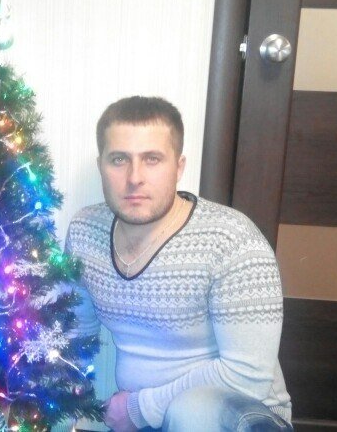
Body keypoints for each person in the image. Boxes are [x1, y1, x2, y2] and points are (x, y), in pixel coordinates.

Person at [65, 96, 292, 431]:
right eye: (119, 159)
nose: (134, 177)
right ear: (102, 166)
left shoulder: (232, 240)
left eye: (152, 159)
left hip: (243, 418)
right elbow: (75, 337)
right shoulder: (85, 232)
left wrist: (137, 409)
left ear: (179, 167)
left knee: (193, 411)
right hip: (147, 421)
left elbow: (247, 376)